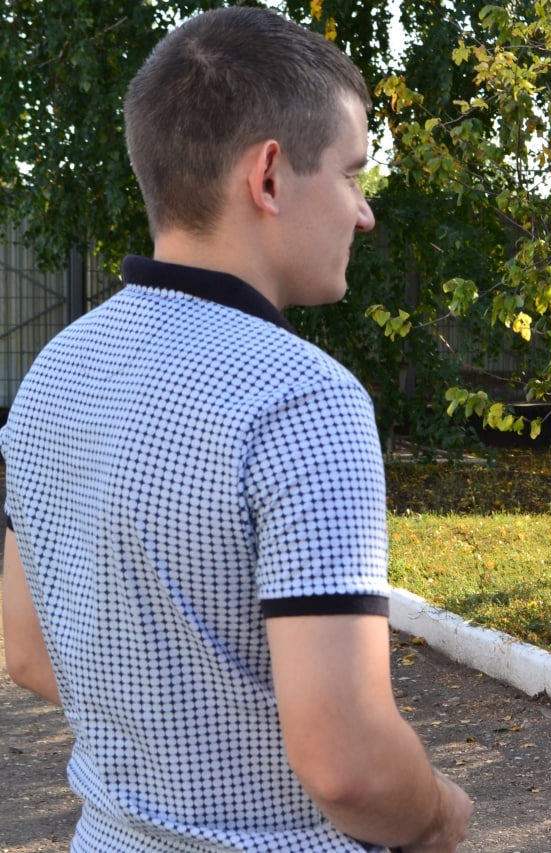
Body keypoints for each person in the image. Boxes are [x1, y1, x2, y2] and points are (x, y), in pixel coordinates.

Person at [0, 7, 472, 851]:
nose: (363, 214)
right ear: (267, 178)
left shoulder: (51, 375)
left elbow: (29, 651)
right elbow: (350, 767)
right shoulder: (301, 400)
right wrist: (438, 813)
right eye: (352, 174)